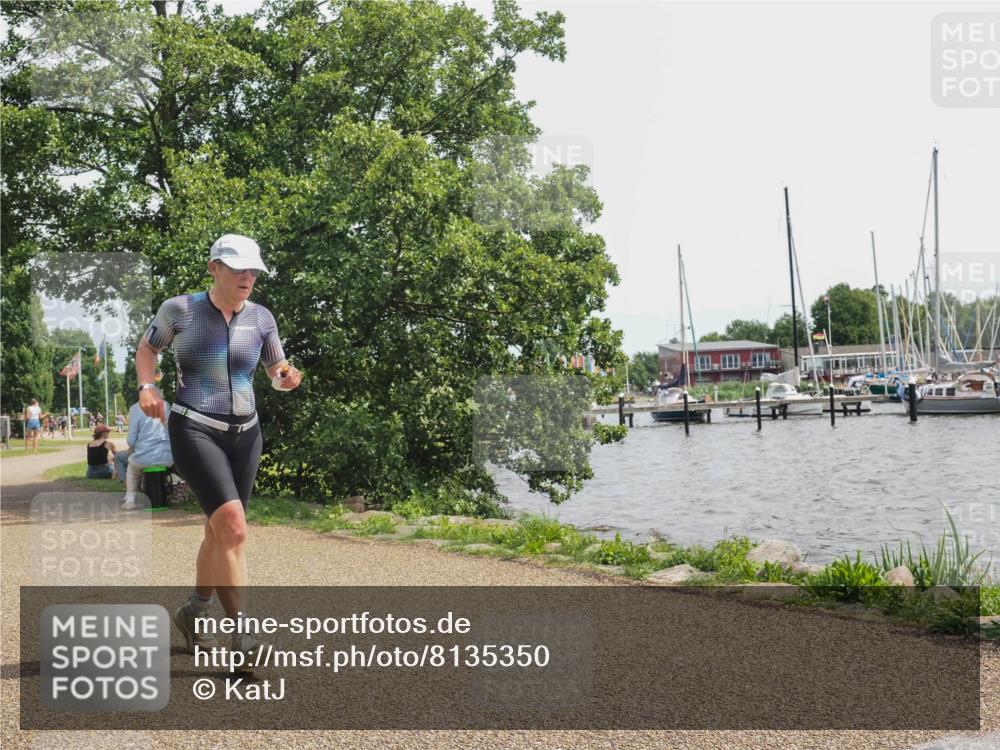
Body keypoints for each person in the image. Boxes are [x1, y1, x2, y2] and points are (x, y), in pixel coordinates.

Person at [135, 234, 301, 656]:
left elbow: (274, 367)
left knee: (218, 531)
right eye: (239, 269)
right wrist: (147, 386)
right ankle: (243, 636)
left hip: (247, 434)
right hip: (195, 428)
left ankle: (194, 610)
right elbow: (147, 348)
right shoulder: (180, 310)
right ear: (214, 267)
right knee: (233, 528)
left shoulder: (262, 319)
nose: (248, 276)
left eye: (253, 271)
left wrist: (286, 376)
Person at [120, 399, 174, 510]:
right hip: (168, 457)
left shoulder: (135, 408)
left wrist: (135, 447)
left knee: (132, 468)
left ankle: (130, 500)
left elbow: (131, 440)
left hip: (144, 457)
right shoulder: (166, 405)